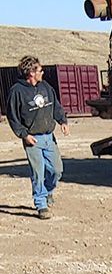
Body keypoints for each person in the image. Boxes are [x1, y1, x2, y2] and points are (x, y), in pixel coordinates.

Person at [5, 56, 70, 219]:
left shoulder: (46, 87)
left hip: (49, 137)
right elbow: (13, 117)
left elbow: (55, 105)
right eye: (40, 70)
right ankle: (41, 204)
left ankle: (48, 192)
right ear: (31, 72)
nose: (43, 73)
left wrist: (62, 120)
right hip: (32, 139)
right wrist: (24, 135)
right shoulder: (17, 91)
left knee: (56, 170)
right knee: (37, 173)